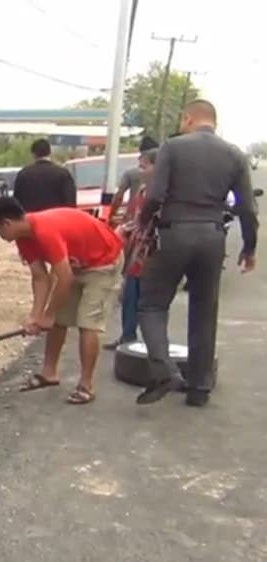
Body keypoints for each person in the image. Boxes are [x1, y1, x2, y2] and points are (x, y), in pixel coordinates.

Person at [134, 99, 258, 407]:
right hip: (213, 236)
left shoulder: (172, 149)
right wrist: (249, 247)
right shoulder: (234, 154)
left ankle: (164, 371)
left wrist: (141, 224)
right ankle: (199, 388)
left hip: (175, 232)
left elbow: (156, 195)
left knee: (151, 305)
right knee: (204, 310)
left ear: (189, 119)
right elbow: (245, 206)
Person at [0, 196, 125, 405]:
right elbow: (40, 277)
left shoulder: (44, 231)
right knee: (60, 320)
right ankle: (49, 374)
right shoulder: (24, 237)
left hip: (103, 262)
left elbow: (64, 278)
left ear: (7, 223)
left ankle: (86, 385)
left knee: (88, 323)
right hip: (77, 264)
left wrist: (48, 314)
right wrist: (36, 316)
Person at [105, 148, 159, 350]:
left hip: (151, 254)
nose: (141, 170)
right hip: (138, 251)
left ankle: (153, 345)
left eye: (144, 166)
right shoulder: (145, 190)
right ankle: (129, 336)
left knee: (147, 302)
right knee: (130, 296)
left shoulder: (162, 193)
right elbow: (137, 220)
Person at [12, 139, 78, 212]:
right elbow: (70, 202)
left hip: (32, 220)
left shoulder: (23, 175)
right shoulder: (62, 173)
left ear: (34, 154)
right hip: (57, 219)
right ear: (50, 153)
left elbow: (17, 203)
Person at [108, 136, 159, 226]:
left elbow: (119, 195)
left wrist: (112, 215)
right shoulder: (167, 176)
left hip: (133, 220)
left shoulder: (131, 173)